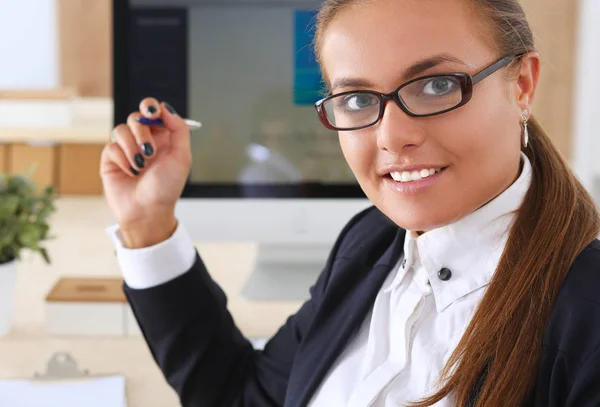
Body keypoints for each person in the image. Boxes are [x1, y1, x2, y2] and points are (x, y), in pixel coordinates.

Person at [100, 0, 600, 406]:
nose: (392, 136)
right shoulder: (370, 241)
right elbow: (246, 396)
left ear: (523, 86)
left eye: (437, 85)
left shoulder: (585, 317)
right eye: (358, 100)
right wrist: (149, 224)